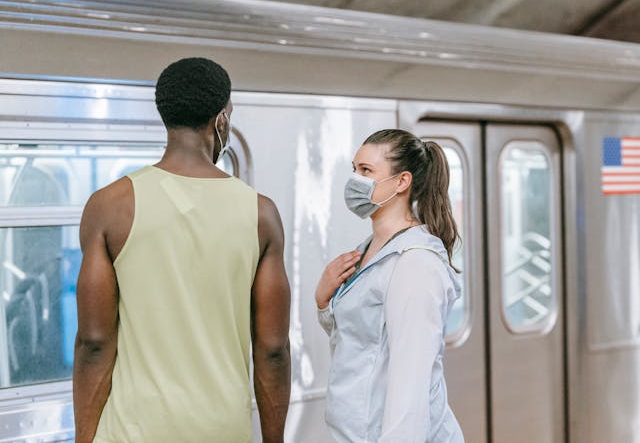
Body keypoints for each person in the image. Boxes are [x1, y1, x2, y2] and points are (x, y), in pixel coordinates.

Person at [73, 57, 291, 443]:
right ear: (221, 120)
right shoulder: (261, 214)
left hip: (132, 430)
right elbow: (272, 349)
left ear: (165, 116)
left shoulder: (109, 206)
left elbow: (94, 342)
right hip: (222, 430)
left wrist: (84, 438)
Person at [315, 129, 465, 443]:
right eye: (354, 169)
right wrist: (324, 301)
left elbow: (410, 384)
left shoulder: (415, 265)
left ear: (401, 182)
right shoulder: (370, 250)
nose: (355, 180)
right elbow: (364, 342)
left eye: (366, 171)